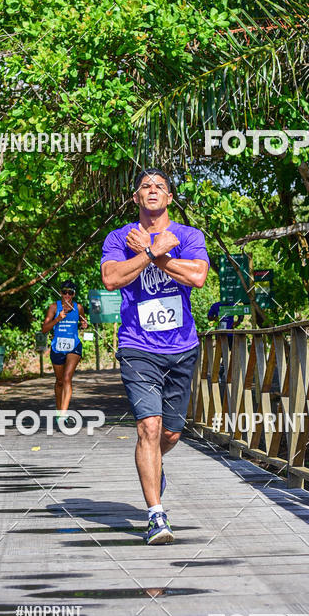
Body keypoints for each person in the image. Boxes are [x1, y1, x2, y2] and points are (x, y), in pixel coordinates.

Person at [101, 169, 209, 545]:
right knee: (148, 427)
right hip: (137, 346)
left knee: (170, 433)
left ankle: (154, 462)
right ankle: (155, 515)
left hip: (182, 348)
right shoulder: (119, 238)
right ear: (136, 198)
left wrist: (159, 256)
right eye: (145, 186)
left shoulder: (188, 235)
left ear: (169, 198)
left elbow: (197, 277)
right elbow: (112, 279)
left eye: (160, 186)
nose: (153, 190)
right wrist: (148, 252)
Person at [41, 280, 88, 417]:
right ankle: (58, 409)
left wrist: (84, 325)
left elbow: (82, 322)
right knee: (60, 381)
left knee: (67, 378)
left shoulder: (78, 308)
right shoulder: (54, 307)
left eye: (70, 292)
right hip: (57, 346)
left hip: (74, 345)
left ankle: (63, 414)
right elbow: (44, 329)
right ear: (60, 292)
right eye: (64, 292)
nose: (67, 295)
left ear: (73, 294)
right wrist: (58, 319)